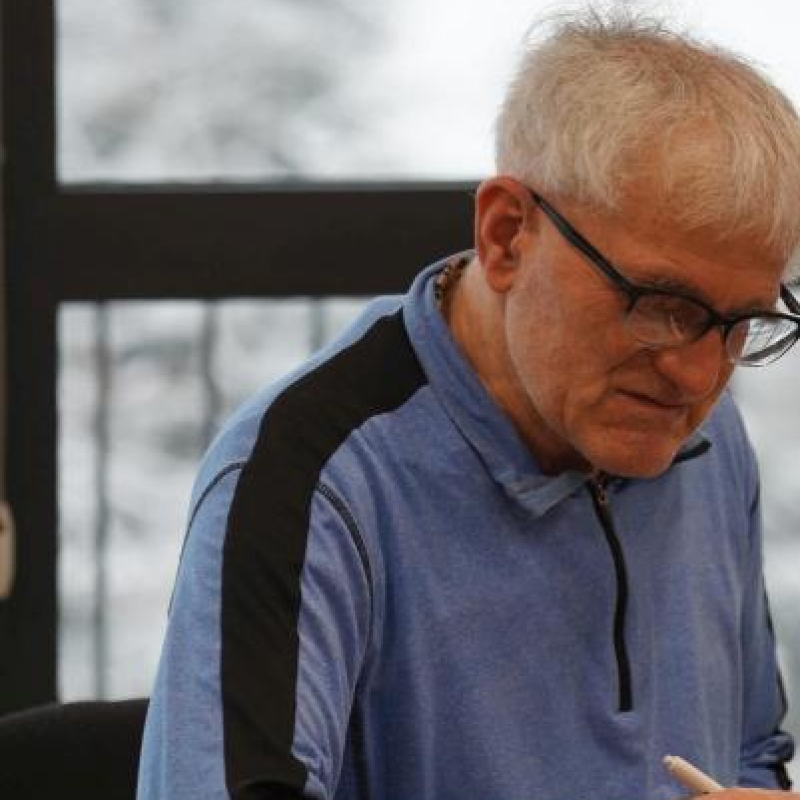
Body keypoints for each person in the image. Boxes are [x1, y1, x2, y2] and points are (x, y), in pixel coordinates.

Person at [136, 7, 800, 800]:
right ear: (507, 234)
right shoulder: (307, 483)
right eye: (661, 306)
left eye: (740, 324)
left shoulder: (706, 437)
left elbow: (751, 751)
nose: (697, 375)